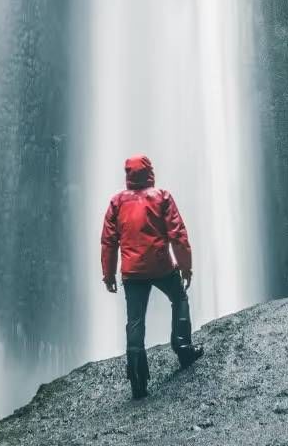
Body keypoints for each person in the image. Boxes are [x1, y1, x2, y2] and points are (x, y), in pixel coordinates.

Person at [100, 154, 204, 399]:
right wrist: (185, 267)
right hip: (161, 266)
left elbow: (108, 242)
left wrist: (108, 274)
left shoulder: (117, 202)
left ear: (128, 175)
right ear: (149, 172)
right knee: (179, 298)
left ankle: (137, 380)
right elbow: (178, 234)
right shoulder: (162, 197)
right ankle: (183, 348)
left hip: (132, 271)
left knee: (135, 321)